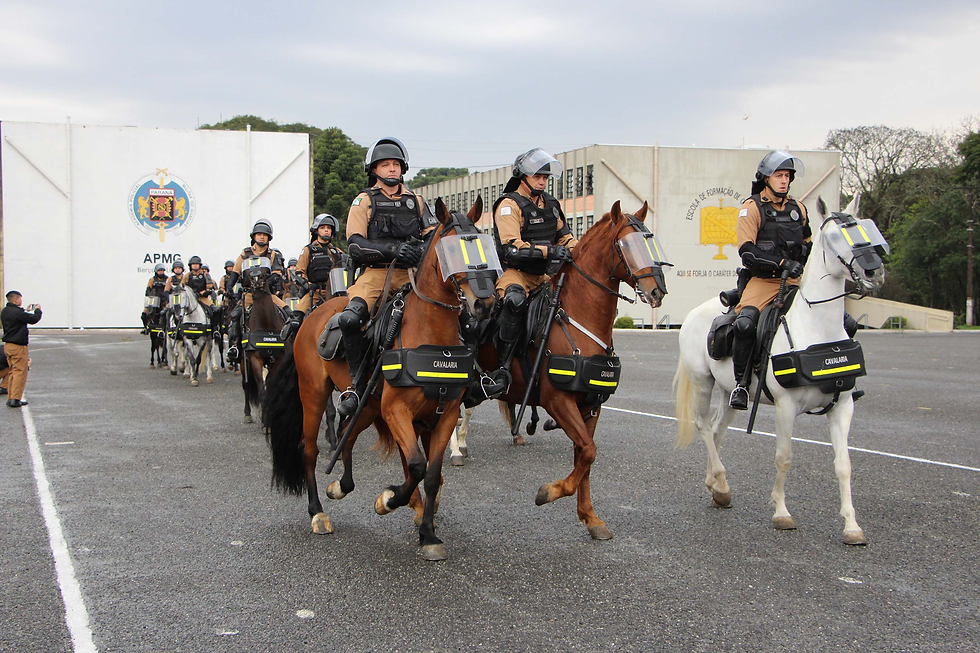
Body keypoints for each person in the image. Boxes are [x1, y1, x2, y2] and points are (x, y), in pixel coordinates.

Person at [336, 137, 436, 416]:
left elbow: (432, 237)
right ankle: (355, 385)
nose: (391, 169)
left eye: (395, 165)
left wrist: (419, 250)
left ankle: (472, 376)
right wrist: (393, 249)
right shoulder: (363, 200)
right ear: (374, 170)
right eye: (385, 165)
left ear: (402, 169)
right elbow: (354, 243)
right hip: (377, 275)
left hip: (411, 275)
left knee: (456, 310)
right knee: (350, 318)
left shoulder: (416, 201)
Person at [488, 148, 577, 391]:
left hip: (545, 275)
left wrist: (580, 250)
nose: (542, 181)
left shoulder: (551, 204)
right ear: (522, 177)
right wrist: (549, 252)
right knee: (514, 302)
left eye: (546, 177)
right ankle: (503, 368)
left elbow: (565, 238)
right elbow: (512, 248)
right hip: (516, 273)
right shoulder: (509, 205)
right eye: (538, 176)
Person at [728, 150, 810, 410]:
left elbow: (807, 242)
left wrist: (802, 257)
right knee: (744, 324)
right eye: (779, 175)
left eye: (787, 176)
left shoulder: (799, 208)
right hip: (764, 281)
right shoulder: (751, 208)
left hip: (796, 281)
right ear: (766, 178)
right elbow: (747, 252)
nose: (784, 181)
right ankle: (741, 384)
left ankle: (835, 379)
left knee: (840, 319)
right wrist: (783, 263)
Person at [225, 219, 288, 363]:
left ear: (269, 238)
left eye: (265, 235)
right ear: (253, 236)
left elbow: (277, 273)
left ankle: (290, 346)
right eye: (259, 234)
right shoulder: (245, 253)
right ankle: (235, 347)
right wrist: (230, 287)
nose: (262, 237)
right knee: (235, 316)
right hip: (249, 294)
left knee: (288, 313)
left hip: (267, 294)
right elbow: (236, 271)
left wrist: (266, 283)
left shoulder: (273, 255)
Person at [281, 214, 346, 339]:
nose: (326, 230)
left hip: (335, 294)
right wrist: (307, 285)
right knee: (296, 319)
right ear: (316, 230)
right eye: (323, 227)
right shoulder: (308, 250)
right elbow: (299, 272)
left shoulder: (338, 252)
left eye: (329, 228)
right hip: (314, 293)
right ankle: (292, 347)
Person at [1, 290, 42, 408]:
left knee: (13, 371)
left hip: (8, 346)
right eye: (20, 299)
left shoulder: (5, 311)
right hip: (18, 346)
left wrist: (25, 310)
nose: (21, 301)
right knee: (20, 372)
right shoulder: (17, 313)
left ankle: (11, 397)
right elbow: (34, 319)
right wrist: (38, 310)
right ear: (15, 300)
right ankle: (15, 398)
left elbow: (18, 316)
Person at [141, 263, 169, 334]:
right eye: (159, 271)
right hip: (154, 300)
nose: (161, 272)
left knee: (167, 313)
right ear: (156, 271)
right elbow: (148, 290)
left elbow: (169, 289)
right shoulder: (152, 280)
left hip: (163, 300)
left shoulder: (167, 279)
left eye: (162, 271)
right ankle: (146, 328)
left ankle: (166, 327)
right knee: (144, 315)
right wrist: (151, 295)